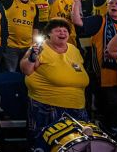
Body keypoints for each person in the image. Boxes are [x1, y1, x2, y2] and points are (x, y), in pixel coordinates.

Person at [72, 0, 117, 140]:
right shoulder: (99, 21)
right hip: (105, 73)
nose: (114, 5)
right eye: (111, 3)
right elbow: (77, 20)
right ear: (107, 6)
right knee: (111, 102)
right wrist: (76, 3)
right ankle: (109, 131)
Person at [21, 19, 90, 147]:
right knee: (46, 145)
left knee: (75, 146)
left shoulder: (74, 49)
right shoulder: (39, 48)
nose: (62, 33)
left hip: (77, 108)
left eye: (65, 31)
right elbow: (26, 70)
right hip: (47, 108)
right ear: (49, 34)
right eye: (58, 30)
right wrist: (32, 57)